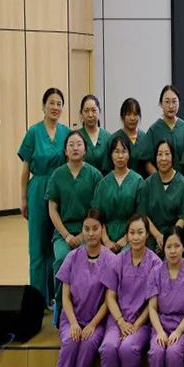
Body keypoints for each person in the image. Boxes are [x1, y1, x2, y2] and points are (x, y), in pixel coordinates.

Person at [18, 87, 70, 305]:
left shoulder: (66, 133)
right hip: (38, 189)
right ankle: (38, 300)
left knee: (55, 244)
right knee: (38, 247)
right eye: (51, 102)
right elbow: (25, 168)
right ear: (43, 106)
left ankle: (55, 297)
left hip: (59, 190)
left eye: (59, 103)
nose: (55, 107)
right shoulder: (33, 132)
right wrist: (23, 198)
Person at [99, 214, 162, 367]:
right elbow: (110, 297)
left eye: (140, 232)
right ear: (126, 236)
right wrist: (121, 322)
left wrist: (135, 325)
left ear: (147, 234)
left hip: (141, 321)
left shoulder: (155, 264)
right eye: (132, 233)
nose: (136, 237)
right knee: (108, 348)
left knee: (128, 348)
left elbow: (153, 304)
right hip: (117, 319)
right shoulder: (118, 260)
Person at [56, 209, 112, 367]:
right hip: (71, 318)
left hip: (96, 321)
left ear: (103, 229)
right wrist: (73, 323)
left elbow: (108, 301)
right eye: (86, 229)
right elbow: (65, 298)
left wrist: (93, 325)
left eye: (95, 228)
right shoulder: (72, 257)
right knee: (70, 341)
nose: (91, 233)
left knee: (88, 343)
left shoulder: (111, 260)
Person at [48, 130, 103, 310]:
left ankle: (87, 307)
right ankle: (61, 309)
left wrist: (83, 234)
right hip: (63, 233)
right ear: (65, 150)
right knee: (62, 259)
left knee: (88, 261)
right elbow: (52, 209)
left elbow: (96, 211)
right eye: (71, 145)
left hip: (89, 232)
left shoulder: (94, 175)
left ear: (85, 149)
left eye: (79, 144)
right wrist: (66, 235)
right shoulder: (57, 175)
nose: (75, 148)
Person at [146, 226, 184, 367]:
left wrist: (179, 331)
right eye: (169, 246)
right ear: (164, 248)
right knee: (156, 352)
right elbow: (152, 307)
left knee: (173, 353)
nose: (173, 251)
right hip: (161, 325)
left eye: (177, 246)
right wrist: (160, 331)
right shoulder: (156, 272)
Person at [93, 135, 145, 253]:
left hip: (132, 236)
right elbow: (97, 215)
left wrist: (126, 238)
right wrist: (106, 240)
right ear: (111, 155)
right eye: (116, 152)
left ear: (129, 154)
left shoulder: (138, 181)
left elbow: (141, 215)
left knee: (125, 257)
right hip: (105, 236)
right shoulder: (103, 183)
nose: (120, 156)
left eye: (124, 151)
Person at [138, 140, 184, 253]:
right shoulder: (148, 184)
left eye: (167, 154)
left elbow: (183, 217)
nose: (163, 158)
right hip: (152, 237)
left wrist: (169, 239)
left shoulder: (183, 184)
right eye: (160, 154)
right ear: (155, 157)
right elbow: (144, 215)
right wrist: (158, 236)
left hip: (176, 237)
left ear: (173, 157)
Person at [143, 85, 184, 174]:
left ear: (179, 103)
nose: (171, 106)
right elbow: (147, 162)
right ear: (160, 104)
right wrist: (159, 179)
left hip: (181, 180)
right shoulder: (153, 130)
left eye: (174, 101)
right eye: (167, 102)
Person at [103, 98, 149, 177]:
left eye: (135, 114)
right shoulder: (113, 139)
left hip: (142, 183)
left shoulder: (145, 138)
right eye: (128, 114)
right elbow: (106, 169)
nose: (132, 118)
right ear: (122, 116)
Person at [78, 94, 111, 173]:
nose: (90, 115)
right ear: (81, 113)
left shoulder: (108, 137)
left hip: (104, 180)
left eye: (94, 110)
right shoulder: (76, 136)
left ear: (99, 111)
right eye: (86, 111)